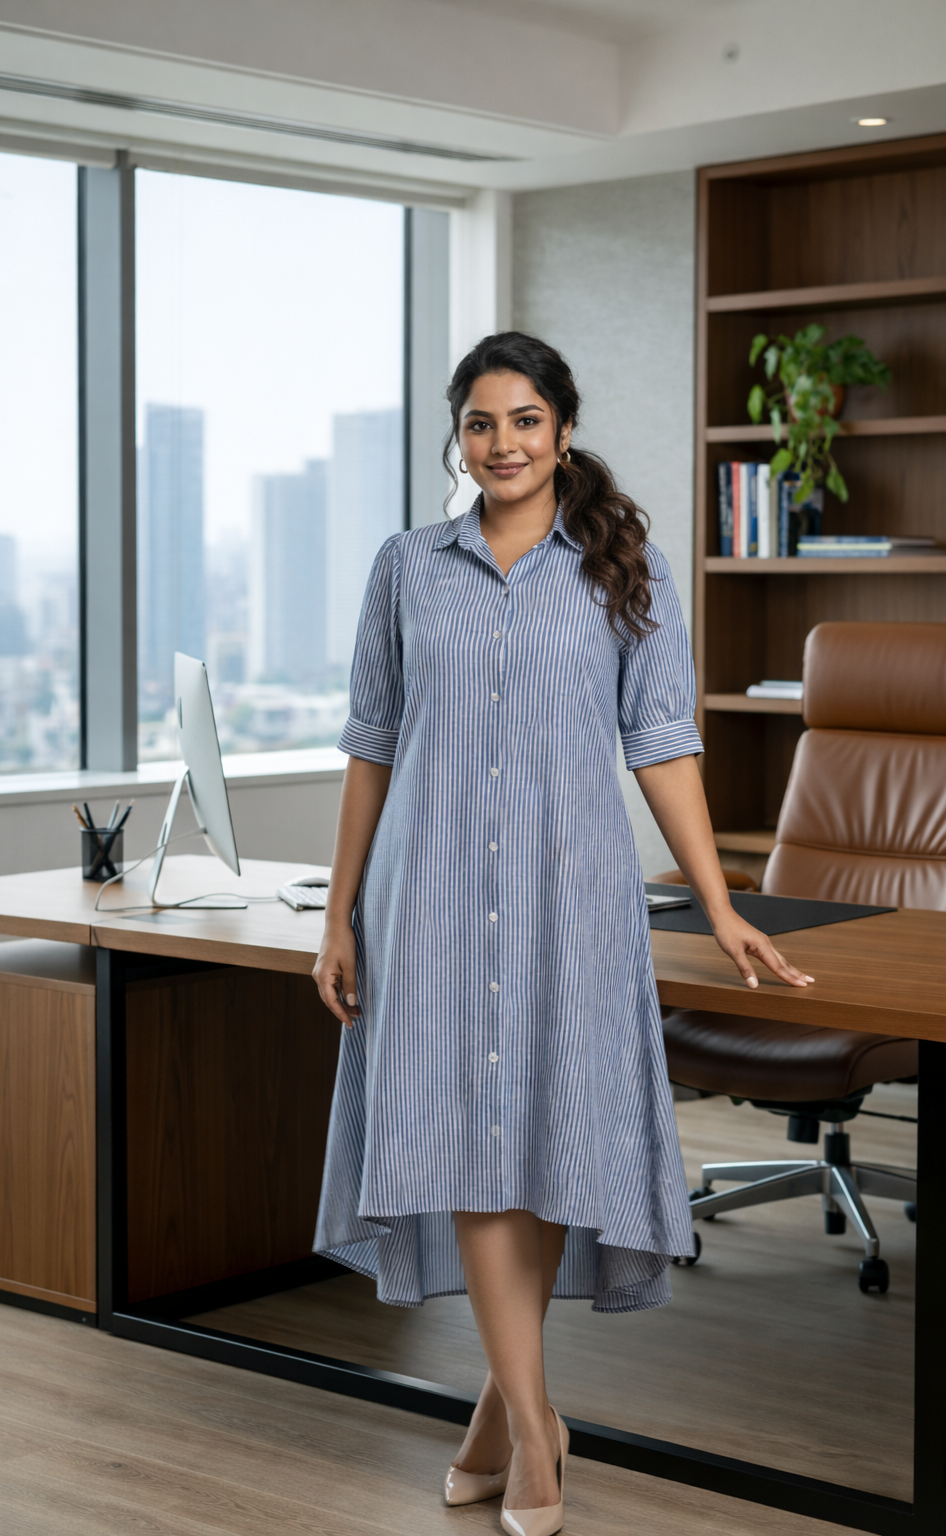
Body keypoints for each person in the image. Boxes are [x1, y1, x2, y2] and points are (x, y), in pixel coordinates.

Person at [312, 331, 812, 1536]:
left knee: (534, 1138)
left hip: (571, 896)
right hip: (424, 899)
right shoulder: (406, 567)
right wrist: (338, 912)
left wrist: (721, 899)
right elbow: (373, 746)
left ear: (563, 431)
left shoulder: (619, 566)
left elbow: (662, 746)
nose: (502, 445)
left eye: (524, 421)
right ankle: (541, 1439)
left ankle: (499, 1409)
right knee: (478, 1148)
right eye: (481, 424)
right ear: (458, 438)